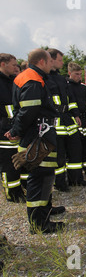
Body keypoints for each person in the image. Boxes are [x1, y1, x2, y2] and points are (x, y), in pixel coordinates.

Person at [5, 48, 65, 234]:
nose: (51, 65)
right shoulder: (32, 80)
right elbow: (28, 111)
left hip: (41, 135)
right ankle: (39, 223)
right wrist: (16, 131)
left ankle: (45, 210)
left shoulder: (33, 77)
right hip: (37, 137)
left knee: (46, 176)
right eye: (49, 61)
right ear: (41, 62)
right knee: (39, 179)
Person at [47, 49, 86, 188]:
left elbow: (70, 99)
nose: (62, 63)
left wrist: (76, 114)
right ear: (51, 59)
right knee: (59, 155)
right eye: (60, 60)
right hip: (54, 122)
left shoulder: (61, 78)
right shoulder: (44, 78)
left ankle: (76, 179)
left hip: (68, 119)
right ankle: (60, 183)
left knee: (75, 150)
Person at [0, 53, 26, 203]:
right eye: (13, 65)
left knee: (17, 162)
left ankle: (18, 191)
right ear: (3, 64)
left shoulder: (11, 82)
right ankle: (11, 194)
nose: (16, 67)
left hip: (14, 128)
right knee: (7, 164)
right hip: (3, 130)